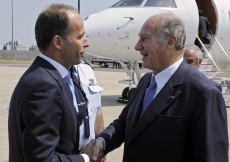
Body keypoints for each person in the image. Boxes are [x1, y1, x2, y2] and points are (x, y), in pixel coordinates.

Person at [83, 13, 229, 162]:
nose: (137, 46)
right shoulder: (146, 81)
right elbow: (125, 122)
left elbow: (212, 156)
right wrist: (102, 141)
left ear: (170, 42)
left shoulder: (203, 93)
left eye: (144, 39)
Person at [8, 4, 92, 162]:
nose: (86, 43)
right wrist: (85, 159)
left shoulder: (56, 77)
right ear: (58, 42)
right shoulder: (43, 86)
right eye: (80, 37)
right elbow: (42, 159)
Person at [74, 60, 107, 161]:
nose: (86, 43)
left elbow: (95, 109)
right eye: (81, 42)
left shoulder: (87, 69)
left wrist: (101, 142)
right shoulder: (49, 75)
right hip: (67, 156)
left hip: (91, 154)